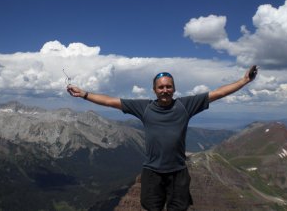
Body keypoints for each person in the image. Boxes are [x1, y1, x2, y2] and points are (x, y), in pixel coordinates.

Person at [67, 65, 258, 211]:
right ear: (154, 90)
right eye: (161, 87)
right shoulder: (144, 107)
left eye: (168, 87)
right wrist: (84, 94)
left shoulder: (186, 105)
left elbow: (218, 93)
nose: (165, 90)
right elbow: (110, 102)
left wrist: (244, 81)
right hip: (152, 173)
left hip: (178, 172)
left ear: (174, 89)